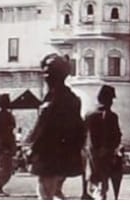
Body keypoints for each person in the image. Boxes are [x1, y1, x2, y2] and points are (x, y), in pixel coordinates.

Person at [24, 53, 87, 200]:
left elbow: (43, 127)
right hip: (59, 153)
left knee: (45, 193)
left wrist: (32, 148)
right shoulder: (68, 98)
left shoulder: (57, 99)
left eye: (49, 72)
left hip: (50, 153)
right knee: (51, 191)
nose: (46, 75)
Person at [85, 85, 122, 199]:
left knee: (94, 182)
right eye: (110, 99)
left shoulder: (90, 114)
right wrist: (109, 148)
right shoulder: (111, 116)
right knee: (101, 184)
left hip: (93, 153)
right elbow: (117, 136)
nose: (111, 102)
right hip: (104, 155)